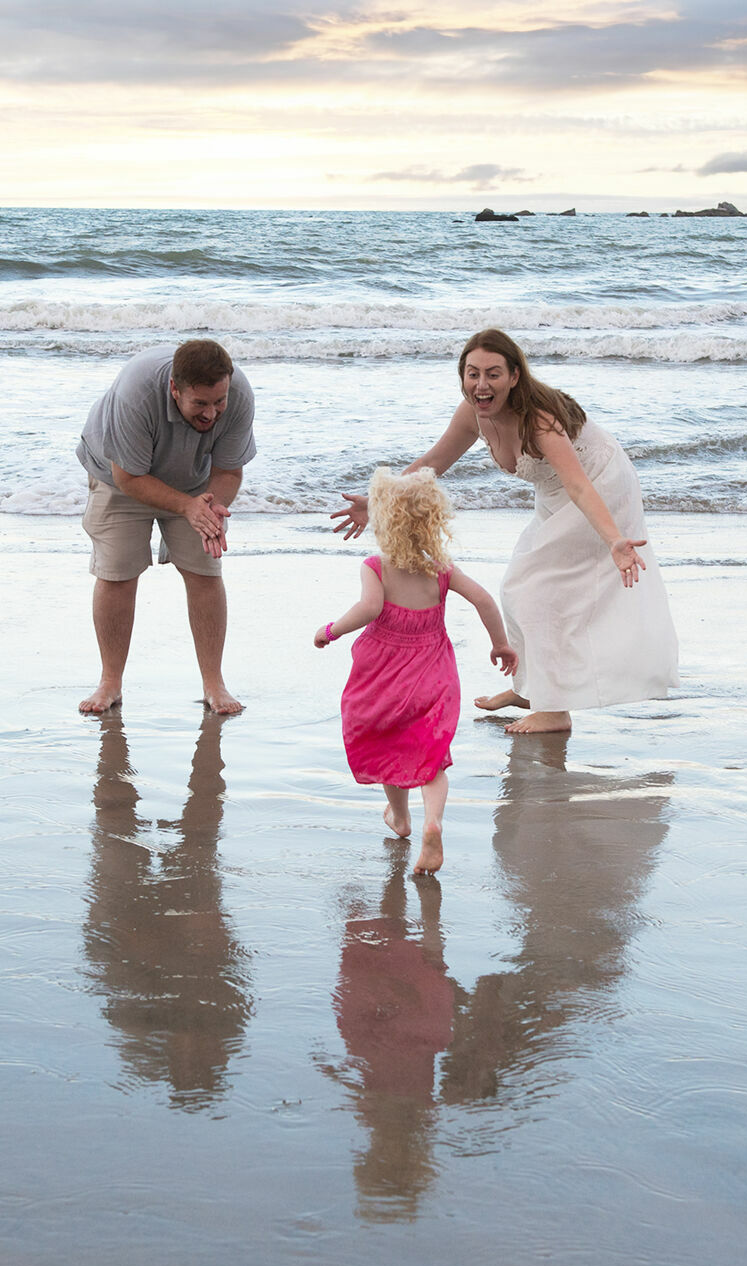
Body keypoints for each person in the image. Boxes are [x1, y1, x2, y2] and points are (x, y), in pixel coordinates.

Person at [330, 329, 677, 735]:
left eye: (493, 374)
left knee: (530, 587)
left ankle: (553, 709)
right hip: (554, 493)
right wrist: (379, 500)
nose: (481, 384)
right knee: (522, 588)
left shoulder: (539, 419)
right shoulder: (470, 413)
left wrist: (614, 539)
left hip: (599, 486)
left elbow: (580, 485)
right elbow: (433, 462)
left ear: (515, 376)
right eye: (472, 373)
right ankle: (532, 690)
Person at [314, 469, 516, 875]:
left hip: (384, 674)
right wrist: (500, 643)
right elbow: (483, 601)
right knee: (433, 757)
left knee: (388, 741)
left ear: (383, 522)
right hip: (433, 672)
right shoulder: (441, 569)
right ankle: (433, 823)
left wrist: (331, 630)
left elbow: (369, 609)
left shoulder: (376, 567)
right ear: (432, 521)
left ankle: (400, 816)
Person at [76, 340, 256, 716]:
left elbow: (228, 470)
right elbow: (128, 477)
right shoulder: (136, 393)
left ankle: (214, 683)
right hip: (118, 475)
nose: (212, 414)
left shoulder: (237, 394)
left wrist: (211, 509)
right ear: (175, 388)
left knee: (204, 570)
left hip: (194, 480)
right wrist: (185, 507)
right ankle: (110, 682)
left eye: (218, 401)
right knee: (118, 573)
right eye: (201, 404)